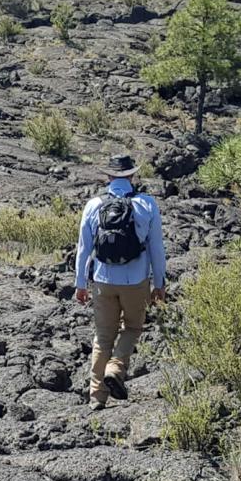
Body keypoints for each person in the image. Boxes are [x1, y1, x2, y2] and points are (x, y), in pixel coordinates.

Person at [73, 154, 167, 408]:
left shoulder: (94, 205)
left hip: (103, 279)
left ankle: (96, 397)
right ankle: (115, 369)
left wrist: (80, 284)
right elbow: (156, 248)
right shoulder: (146, 204)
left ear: (109, 176)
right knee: (133, 328)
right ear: (132, 176)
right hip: (136, 280)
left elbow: (83, 248)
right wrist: (159, 283)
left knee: (103, 336)